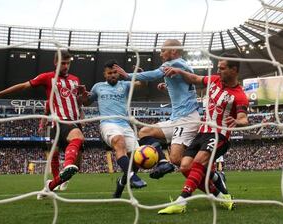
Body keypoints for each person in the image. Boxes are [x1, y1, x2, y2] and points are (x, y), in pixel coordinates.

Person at [0, 50, 85, 198]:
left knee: (73, 162)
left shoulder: (75, 80)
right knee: (66, 145)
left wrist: (83, 97)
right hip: (60, 121)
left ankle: (51, 185)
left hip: (75, 121)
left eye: (68, 63)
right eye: (63, 63)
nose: (66, 66)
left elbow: (80, 102)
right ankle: (65, 169)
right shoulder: (47, 77)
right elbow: (23, 86)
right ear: (55, 63)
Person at [158, 53, 249, 214]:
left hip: (219, 135)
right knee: (185, 167)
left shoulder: (239, 95)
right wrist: (179, 72)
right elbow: (195, 79)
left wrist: (238, 122)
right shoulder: (214, 80)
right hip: (202, 132)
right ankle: (221, 196)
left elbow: (243, 118)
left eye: (222, 68)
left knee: (199, 161)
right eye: (218, 68)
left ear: (234, 70)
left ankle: (181, 202)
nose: (218, 71)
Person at [114, 39, 201, 179]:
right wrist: (167, 87)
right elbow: (184, 90)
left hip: (187, 118)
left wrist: (128, 76)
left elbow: (154, 74)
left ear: (173, 51)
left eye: (163, 50)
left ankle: (212, 176)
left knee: (177, 159)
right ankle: (162, 162)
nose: (160, 54)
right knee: (145, 132)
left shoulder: (174, 63)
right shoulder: (184, 65)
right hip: (178, 118)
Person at [83, 59, 147, 198]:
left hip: (125, 124)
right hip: (108, 123)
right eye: (109, 73)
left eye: (115, 72)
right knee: (119, 142)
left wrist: (141, 75)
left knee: (136, 161)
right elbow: (87, 102)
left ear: (118, 74)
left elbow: (141, 84)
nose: (112, 75)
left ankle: (121, 182)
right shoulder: (98, 87)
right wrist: (82, 96)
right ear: (105, 75)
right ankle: (132, 178)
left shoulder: (125, 85)